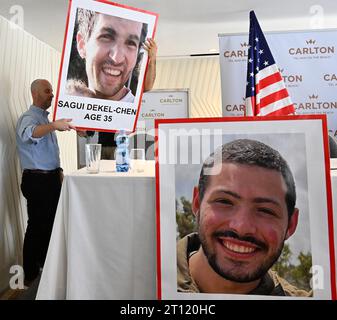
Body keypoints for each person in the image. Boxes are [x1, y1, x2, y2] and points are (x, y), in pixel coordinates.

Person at [177, 139, 312, 297]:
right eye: (224, 201)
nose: (241, 227)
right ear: (197, 203)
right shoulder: (145, 281)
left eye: (265, 211)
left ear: (291, 224)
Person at [71, 8, 158, 159]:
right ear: (82, 44)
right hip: (102, 151)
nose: (116, 58)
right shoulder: (79, 99)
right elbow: (87, 132)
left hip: (124, 150)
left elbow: (148, 86)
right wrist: (80, 129)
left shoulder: (132, 98)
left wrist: (152, 59)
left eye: (130, 42)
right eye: (106, 37)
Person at [16, 79, 76, 285]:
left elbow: (48, 152)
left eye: (51, 91)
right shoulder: (29, 118)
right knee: (37, 227)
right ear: (35, 94)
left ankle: (45, 274)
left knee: (50, 225)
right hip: (37, 180)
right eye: (47, 91)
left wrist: (58, 171)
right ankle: (31, 278)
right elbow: (29, 134)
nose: (52, 94)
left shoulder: (45, 119)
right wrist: (53, 126)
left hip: (50, 179)